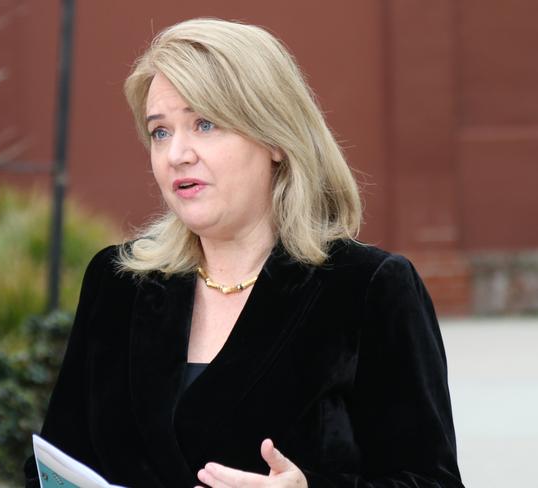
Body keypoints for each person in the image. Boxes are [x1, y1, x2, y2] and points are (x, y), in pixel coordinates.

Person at [24, 18, 463, 488]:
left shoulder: (368, 288)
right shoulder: (119, 282)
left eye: (205, 124)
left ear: (274, 137)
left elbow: (431, 481)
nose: (177, 154)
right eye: (160, 132)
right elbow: (52, 467)